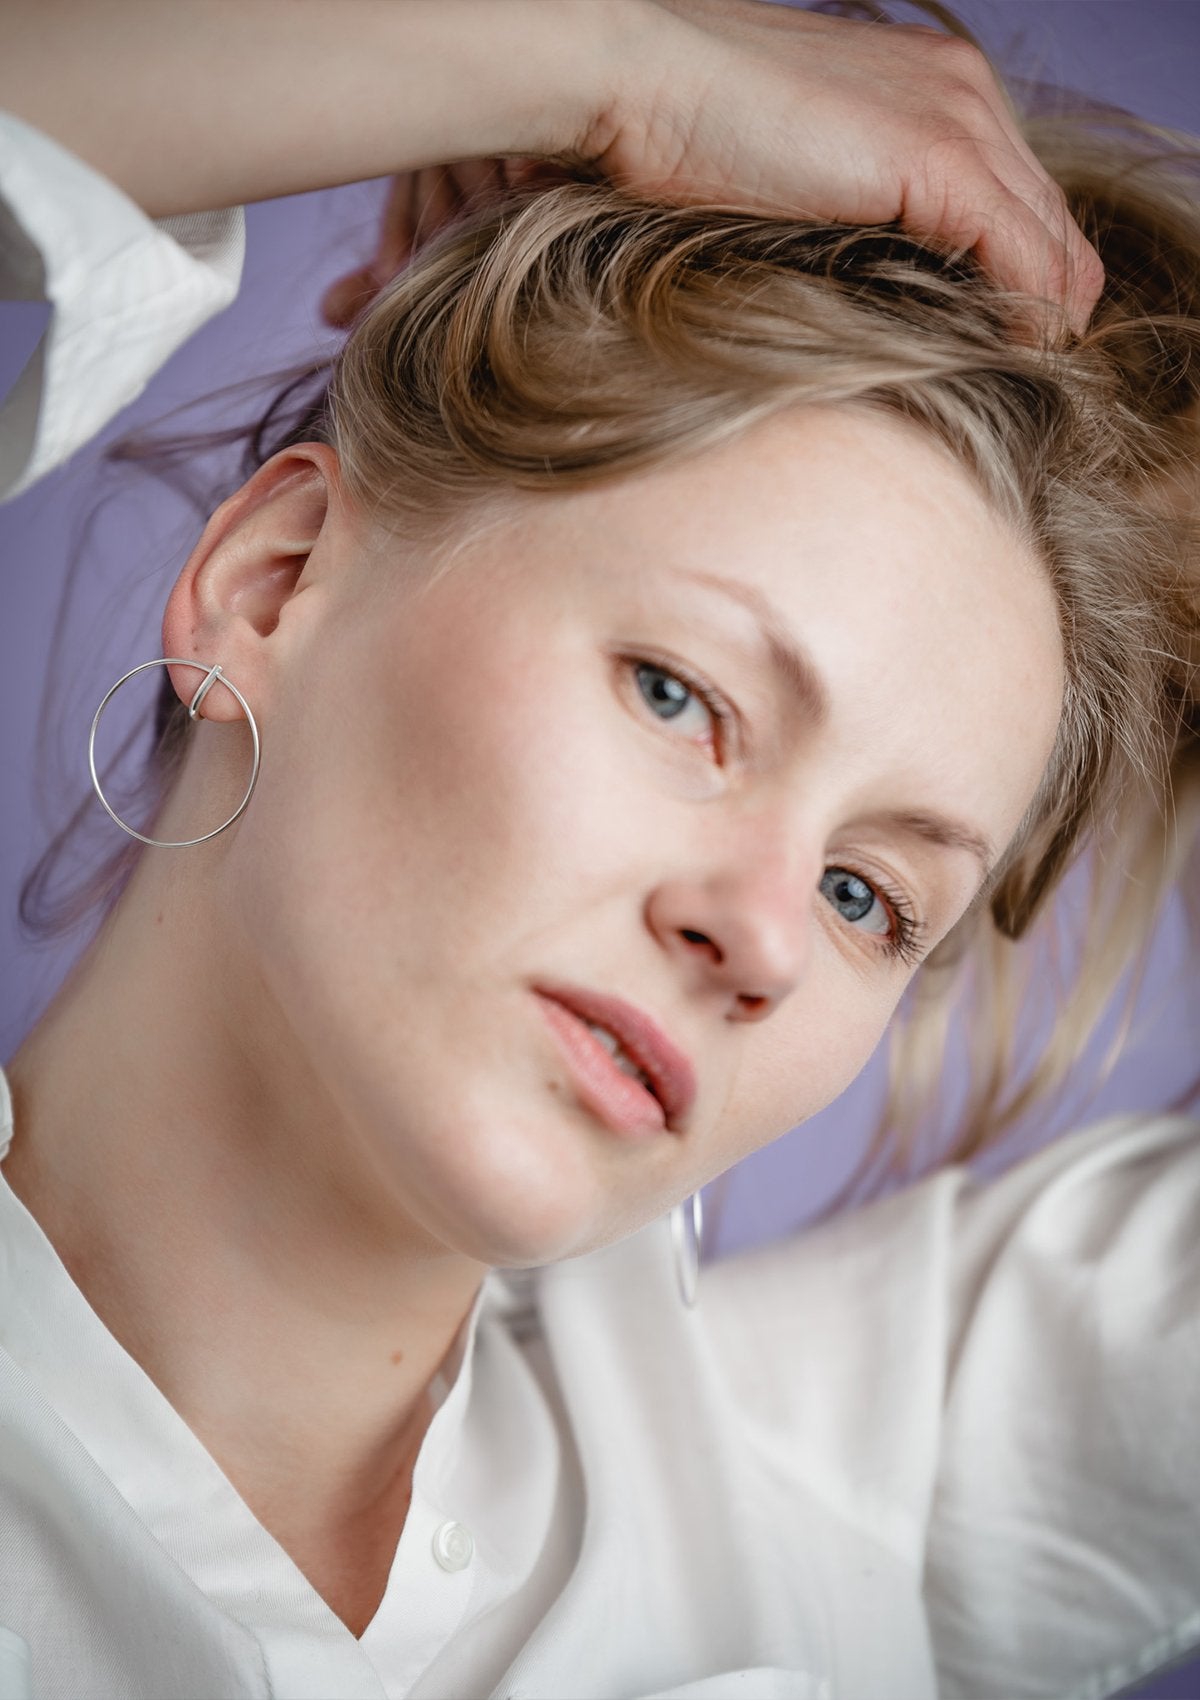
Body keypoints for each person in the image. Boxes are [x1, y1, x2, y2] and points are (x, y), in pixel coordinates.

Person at [0, 5, 1197, 1700]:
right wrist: (613, 57)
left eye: (872, 896)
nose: (768, 938)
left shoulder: (839, 1497)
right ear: (276, 583)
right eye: (682, 697)